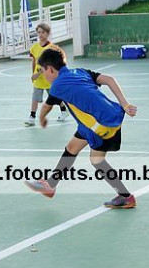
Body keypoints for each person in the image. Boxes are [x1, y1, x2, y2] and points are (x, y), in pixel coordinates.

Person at [24, 47, 138, 209]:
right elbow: (109, 79)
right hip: (106, 116)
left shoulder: (57, 86)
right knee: (72, 147)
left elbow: (46, 107)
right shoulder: (80, 72)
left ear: (50, 69)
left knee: (97, 160)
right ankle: (51, 185)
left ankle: (126, 197)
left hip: (101, 125)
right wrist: (124, 104)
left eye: (42, 71)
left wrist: (42, 119)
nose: (43, 75)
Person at [24, 23, 69, 126]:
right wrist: (33, 73)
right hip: (38, 79)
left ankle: (63, 110)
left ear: (48, 33)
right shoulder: (34, 47)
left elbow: (51, 64)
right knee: (35, 97)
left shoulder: (51, 48)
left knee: (54, 96)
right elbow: (34, 61)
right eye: (39, 32)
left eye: (43, 32)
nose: (40, 34)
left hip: (49, 78)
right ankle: (32, 117)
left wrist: (40, 72)